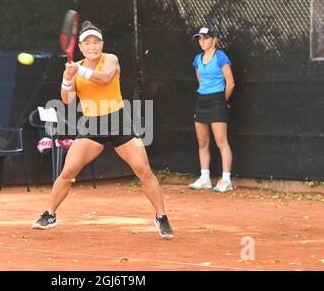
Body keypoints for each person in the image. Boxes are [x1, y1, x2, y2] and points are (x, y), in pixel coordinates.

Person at [32, 21, 174, 239]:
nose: (92, 47)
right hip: (92, 125)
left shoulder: (110, 59)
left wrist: (78, 69)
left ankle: (161, 217)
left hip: (119, 123)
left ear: (102, 44)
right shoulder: (75, 68)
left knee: (143, 171)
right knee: (68, 172)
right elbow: (67, 100)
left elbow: (104, 78)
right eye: (87, 43)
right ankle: (49, 214)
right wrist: (67, 80)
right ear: (80, 47)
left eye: (96, 42)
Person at [188, 25, 235, 192]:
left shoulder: (221, 57)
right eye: (199, 39)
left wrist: (222, 101)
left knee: (221, 141)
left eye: (205, 38)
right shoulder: (197, 59)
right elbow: (201, 81)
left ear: (213, 40)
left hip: (217, 100)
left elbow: (230, 84)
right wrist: (207, 95)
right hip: (202, 100)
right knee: (202, 142)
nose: (202, 41)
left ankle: (226, 180)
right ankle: (205, 178)